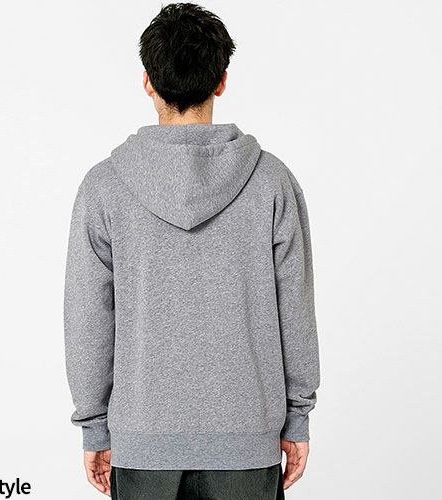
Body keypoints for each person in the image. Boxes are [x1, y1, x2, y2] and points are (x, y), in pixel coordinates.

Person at [64, 3, 320, 499]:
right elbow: (296, 309)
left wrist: (94, 427)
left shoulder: (104, 187)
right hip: (248, 443)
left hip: (141, 445)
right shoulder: (272, 182)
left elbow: (87, 318)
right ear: (221, 81)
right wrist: (297, 418)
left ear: (147, 82)